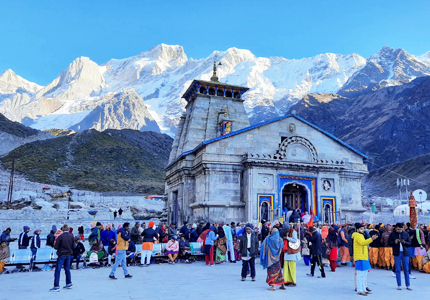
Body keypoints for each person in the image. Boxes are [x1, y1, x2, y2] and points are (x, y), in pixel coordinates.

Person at [352, 223, 377, 296]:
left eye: (363, 229)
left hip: (363, 256)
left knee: (364, 274)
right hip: (360, 257)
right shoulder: (357, 236)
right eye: (361, 229)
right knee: (360, 275)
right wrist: (371, 239)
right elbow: (363, 243)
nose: (363, 230)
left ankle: (363, 289)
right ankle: (360, 289)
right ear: (357, 229)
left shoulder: (361, 235)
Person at [50, 224, 75, 292]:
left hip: (61, 255)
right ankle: (69, 283)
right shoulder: (71, 236)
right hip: (69, 255)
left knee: (58, 270)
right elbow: (74, 246)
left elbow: (56, 247)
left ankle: (56, 286)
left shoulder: (60, 237)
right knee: (67, 269)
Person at [388, 223, 412, 290]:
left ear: (403, 228)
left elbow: (409, 243)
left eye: (401, 229)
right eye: (398, 229)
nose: (399, 230)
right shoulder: (392, 234)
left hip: (405, 253)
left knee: (406, 269)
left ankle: (408, 285)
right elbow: (389, 242)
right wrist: (394, 242)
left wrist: (404, 242)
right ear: (396, 228)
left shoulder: (406, 234)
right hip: (397, 253)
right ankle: (399, 285)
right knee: (398, 269)